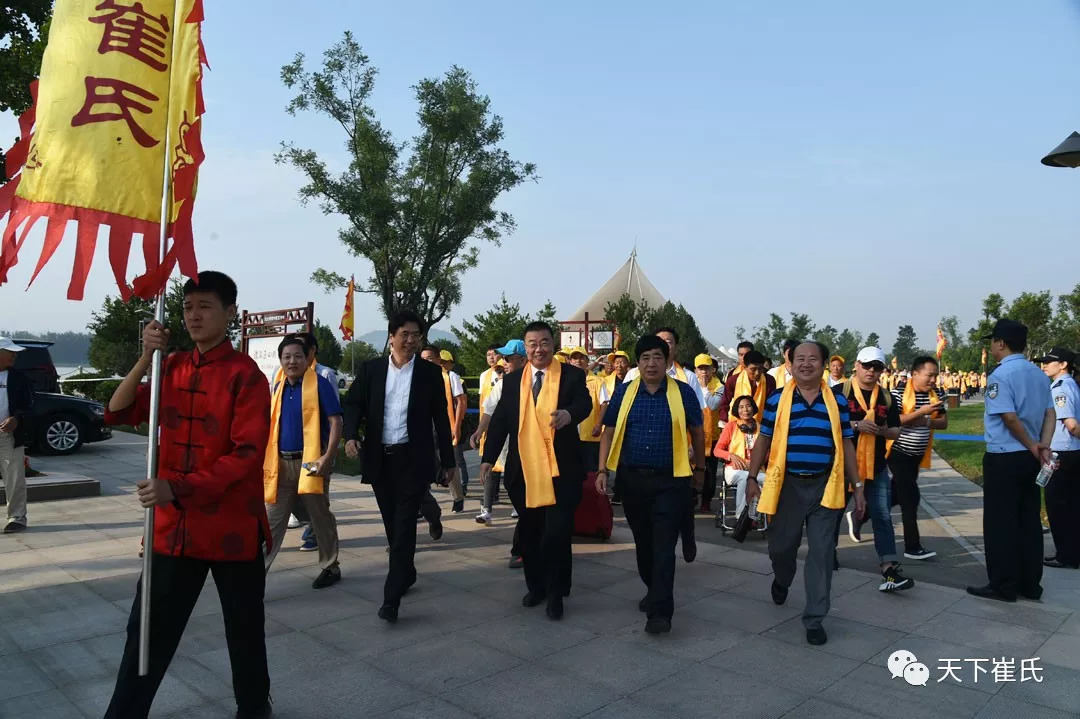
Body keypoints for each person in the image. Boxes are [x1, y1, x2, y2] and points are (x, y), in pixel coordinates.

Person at [102, 271, 272, 719]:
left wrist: (176, 487)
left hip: (231, 527)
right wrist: (144, 358)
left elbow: (247, 455)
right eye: (187, 308)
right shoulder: (169, 367)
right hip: (172, 529)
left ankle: (254, 707)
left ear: (230, 312)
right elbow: (116, 412)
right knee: (146, 632)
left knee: (244, 629)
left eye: (205, 306)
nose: (194, 315)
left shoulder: (246, 376)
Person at [745, 341, 865, 646]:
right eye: (800, 358)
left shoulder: (836, 402)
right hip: (787, 487)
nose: (806, 364)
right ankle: (782, 578)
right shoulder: (776, 400)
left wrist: (858, 486)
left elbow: (847, 444)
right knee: (781, 547)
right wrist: (751, 477)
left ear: (824, 364)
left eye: (813, 359)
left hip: (827, 485)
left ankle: (814, 618)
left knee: (822, 554)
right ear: (791, 363)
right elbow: (763, 440)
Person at [342, 311, 457, 622]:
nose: (410, 340)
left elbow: (441, 421)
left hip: (413, 460)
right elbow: (352, 404)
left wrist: (448, 461)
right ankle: (405, 572)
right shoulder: (371, 370)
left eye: (415, 335)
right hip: (381, 460)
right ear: (391, 336)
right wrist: (351, 435)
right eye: (405, 334)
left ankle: (390, 600)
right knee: (393, 526)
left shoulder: (429, 374)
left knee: (405, 526)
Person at [479, 321, 592, 621]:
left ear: (553, 345)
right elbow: (501, 420)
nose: (538, 348)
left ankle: (556, 595)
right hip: (524, 472)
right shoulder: (514, 381)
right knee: (530, 533)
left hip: (561, 471)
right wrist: (488, 458)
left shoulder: (571, 375)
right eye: (532, 343)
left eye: (544, 342)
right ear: (525, 347)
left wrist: (569, 414)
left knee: (555, 535)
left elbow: (585, 403)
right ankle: (536, 587)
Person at [596, 335, 704, 634]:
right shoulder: (625, 392)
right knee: (644, 544)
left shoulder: (682, 393)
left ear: (666, 360)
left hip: (672, 480)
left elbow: (697, 430)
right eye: (645, 358)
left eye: (657, 356)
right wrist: (602, 469)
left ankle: (660, 612)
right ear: (638, 362)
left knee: (664, 545)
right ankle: (653, 588)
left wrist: (701, 469)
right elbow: (608, 431)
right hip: (633, 480)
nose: (651, 363)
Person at [968, 319, 1056, 602]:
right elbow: (1050, 414)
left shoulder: (1000, 375)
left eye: (993, 341)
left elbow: (1008, 417)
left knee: (1000, 523)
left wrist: (1032, 444)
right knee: (1028, 521)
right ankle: (1030, 583)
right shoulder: (1039, 375)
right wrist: (1042, 446)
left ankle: (1003, 584)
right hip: (1031, 458)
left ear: (1001, 343)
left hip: (1005, 457)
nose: (991, 347)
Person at [263, 335, 342, 588]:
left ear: (307, 357)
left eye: (298, 356)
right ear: (280, 360)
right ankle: (256, 575)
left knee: (320, 517)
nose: (292, 361)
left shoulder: (319, 383)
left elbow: (335, 421)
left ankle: (330, 566)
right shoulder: (277, 387)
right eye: (287, 357)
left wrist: (328, 457)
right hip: (281, 464)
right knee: (272, 521)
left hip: (311, 464)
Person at [837, 348, 913, 591]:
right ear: (856, 365)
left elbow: (896, 430)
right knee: (832, 513)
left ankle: (889, 568)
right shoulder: (839, 392)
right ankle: (826, 554)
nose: (871, 371)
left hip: (876, 466)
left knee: (881, 515)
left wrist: (880, 431)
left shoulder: (886, 397)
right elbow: (829, 423)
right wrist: (857, 425)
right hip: (842, 465)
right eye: (867, 365)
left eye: (877, 367)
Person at [888, 356, 947, 561]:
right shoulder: (897, 393)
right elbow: (894, 421)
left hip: (917, 455)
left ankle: (862, 514)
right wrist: (920, 413)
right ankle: (912, 547)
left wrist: (927, 419)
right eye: (929, 375)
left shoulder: (936, 394)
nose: (933, 380)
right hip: (898, 452)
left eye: (935, 376)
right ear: (915, 374)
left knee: (894, 495)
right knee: (911, 498)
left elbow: (943, 422)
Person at [1038, 347, 1080, 569]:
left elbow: (1071, 425)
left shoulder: (1060, 389)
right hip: (1072, 452)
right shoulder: (1069, 385)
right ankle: (1071, 552)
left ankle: (1066, 555)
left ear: (1063, 365)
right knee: (1072, 504)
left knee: (1058, 505)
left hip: (1061, 452)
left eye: (1049, 362)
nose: (1044, 365)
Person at [420, 346, 466, 513]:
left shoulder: (449, 377)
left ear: (438, 359)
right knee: (420, 463)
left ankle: (458, 497)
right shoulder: (415, 378)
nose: (426, 361)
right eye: (423, 358)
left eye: (430, 358)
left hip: (444, 425)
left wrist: (456, 425)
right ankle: (423, 502)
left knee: (449, 462)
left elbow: (460, 401)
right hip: (423, 427)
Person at [713, 395, 766, 519]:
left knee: (769, 480)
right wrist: (731, 456)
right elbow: (717, 450)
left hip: (756, 469)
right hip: (734, 470)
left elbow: (767, 453)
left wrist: (754, 464)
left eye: (748, 406)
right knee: (745, 478)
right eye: (741, 407)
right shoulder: (730, 427)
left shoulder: (761, 428)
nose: (745, 410)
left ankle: (758, 515)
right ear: (737, 410)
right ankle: (741, 517)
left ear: (753, 408)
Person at [0, 337, 32, 533]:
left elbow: (28, 406)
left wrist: (16, 419)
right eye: (10, 352)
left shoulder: (19, 378)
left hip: (8, 437)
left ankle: (17, 517)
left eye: (15, 352)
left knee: (14, 478)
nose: (14, 355)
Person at [598, 350, 631, 504]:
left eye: (621, 361)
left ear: (628, 365)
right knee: (611, 457)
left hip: (627, 424)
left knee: (623, 459)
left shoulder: (633, 381)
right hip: (611, 424)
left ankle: (620, 491)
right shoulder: (605, 380)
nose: (618, 365)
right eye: (615, 362)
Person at [694, 353, 724, 512]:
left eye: (707, 368)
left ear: (713, 370)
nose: (704, 372)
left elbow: (712, 405)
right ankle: (691, 498)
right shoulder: (690, 384)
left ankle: (706, 501)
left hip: (712, 436)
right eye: (701, 368)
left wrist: (704, 388)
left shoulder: (720, 386)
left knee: (710, 472)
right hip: (692, 434)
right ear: (695, 370)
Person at [440, 349, 470, 508]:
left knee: (454, 460)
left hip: (449, 424)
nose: (442, 365)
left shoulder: (453, 378)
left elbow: (461, 402)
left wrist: (456, 426)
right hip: (431, 425)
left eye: (445, 362)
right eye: (441, 362)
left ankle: (459, 493)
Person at [718, 350, 775, 427]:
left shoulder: (769, 381)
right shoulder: (733, 380)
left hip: (761, 426)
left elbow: (772, 405)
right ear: (745, 367)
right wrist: (725, 423)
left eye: (760, 369)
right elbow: (724, 404)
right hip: (737, 425)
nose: (757, 373)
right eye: (753, 369)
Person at [569, 347, 604, 471]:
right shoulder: (564, 381)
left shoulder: (597, 381)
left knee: (590, 470)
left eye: (581, 358)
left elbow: (604, 403)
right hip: (569, 434)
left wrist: (599, 424)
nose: (578, 361)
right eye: (575, 358)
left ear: (587, 361)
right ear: (570, 361)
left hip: (590, 435)